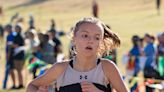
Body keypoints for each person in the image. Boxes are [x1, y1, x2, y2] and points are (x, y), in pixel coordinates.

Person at [27, 17, 128, 92]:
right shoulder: (60, 68)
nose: (90, 41)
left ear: (100, 43)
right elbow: (31, 86)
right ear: (74, 38)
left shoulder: (107, 67)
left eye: (97, 37)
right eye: (85, 35)